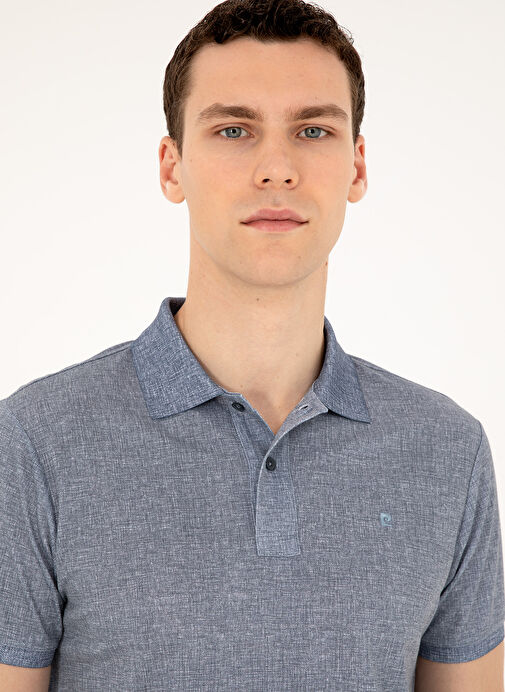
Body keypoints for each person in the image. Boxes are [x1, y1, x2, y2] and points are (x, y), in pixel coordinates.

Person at [1, 0, 503, 690]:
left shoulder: (447, 452)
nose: (276, 168)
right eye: (234, 129)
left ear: (357, 167)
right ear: (171, 167)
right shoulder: (35, 442)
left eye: (313, 130)